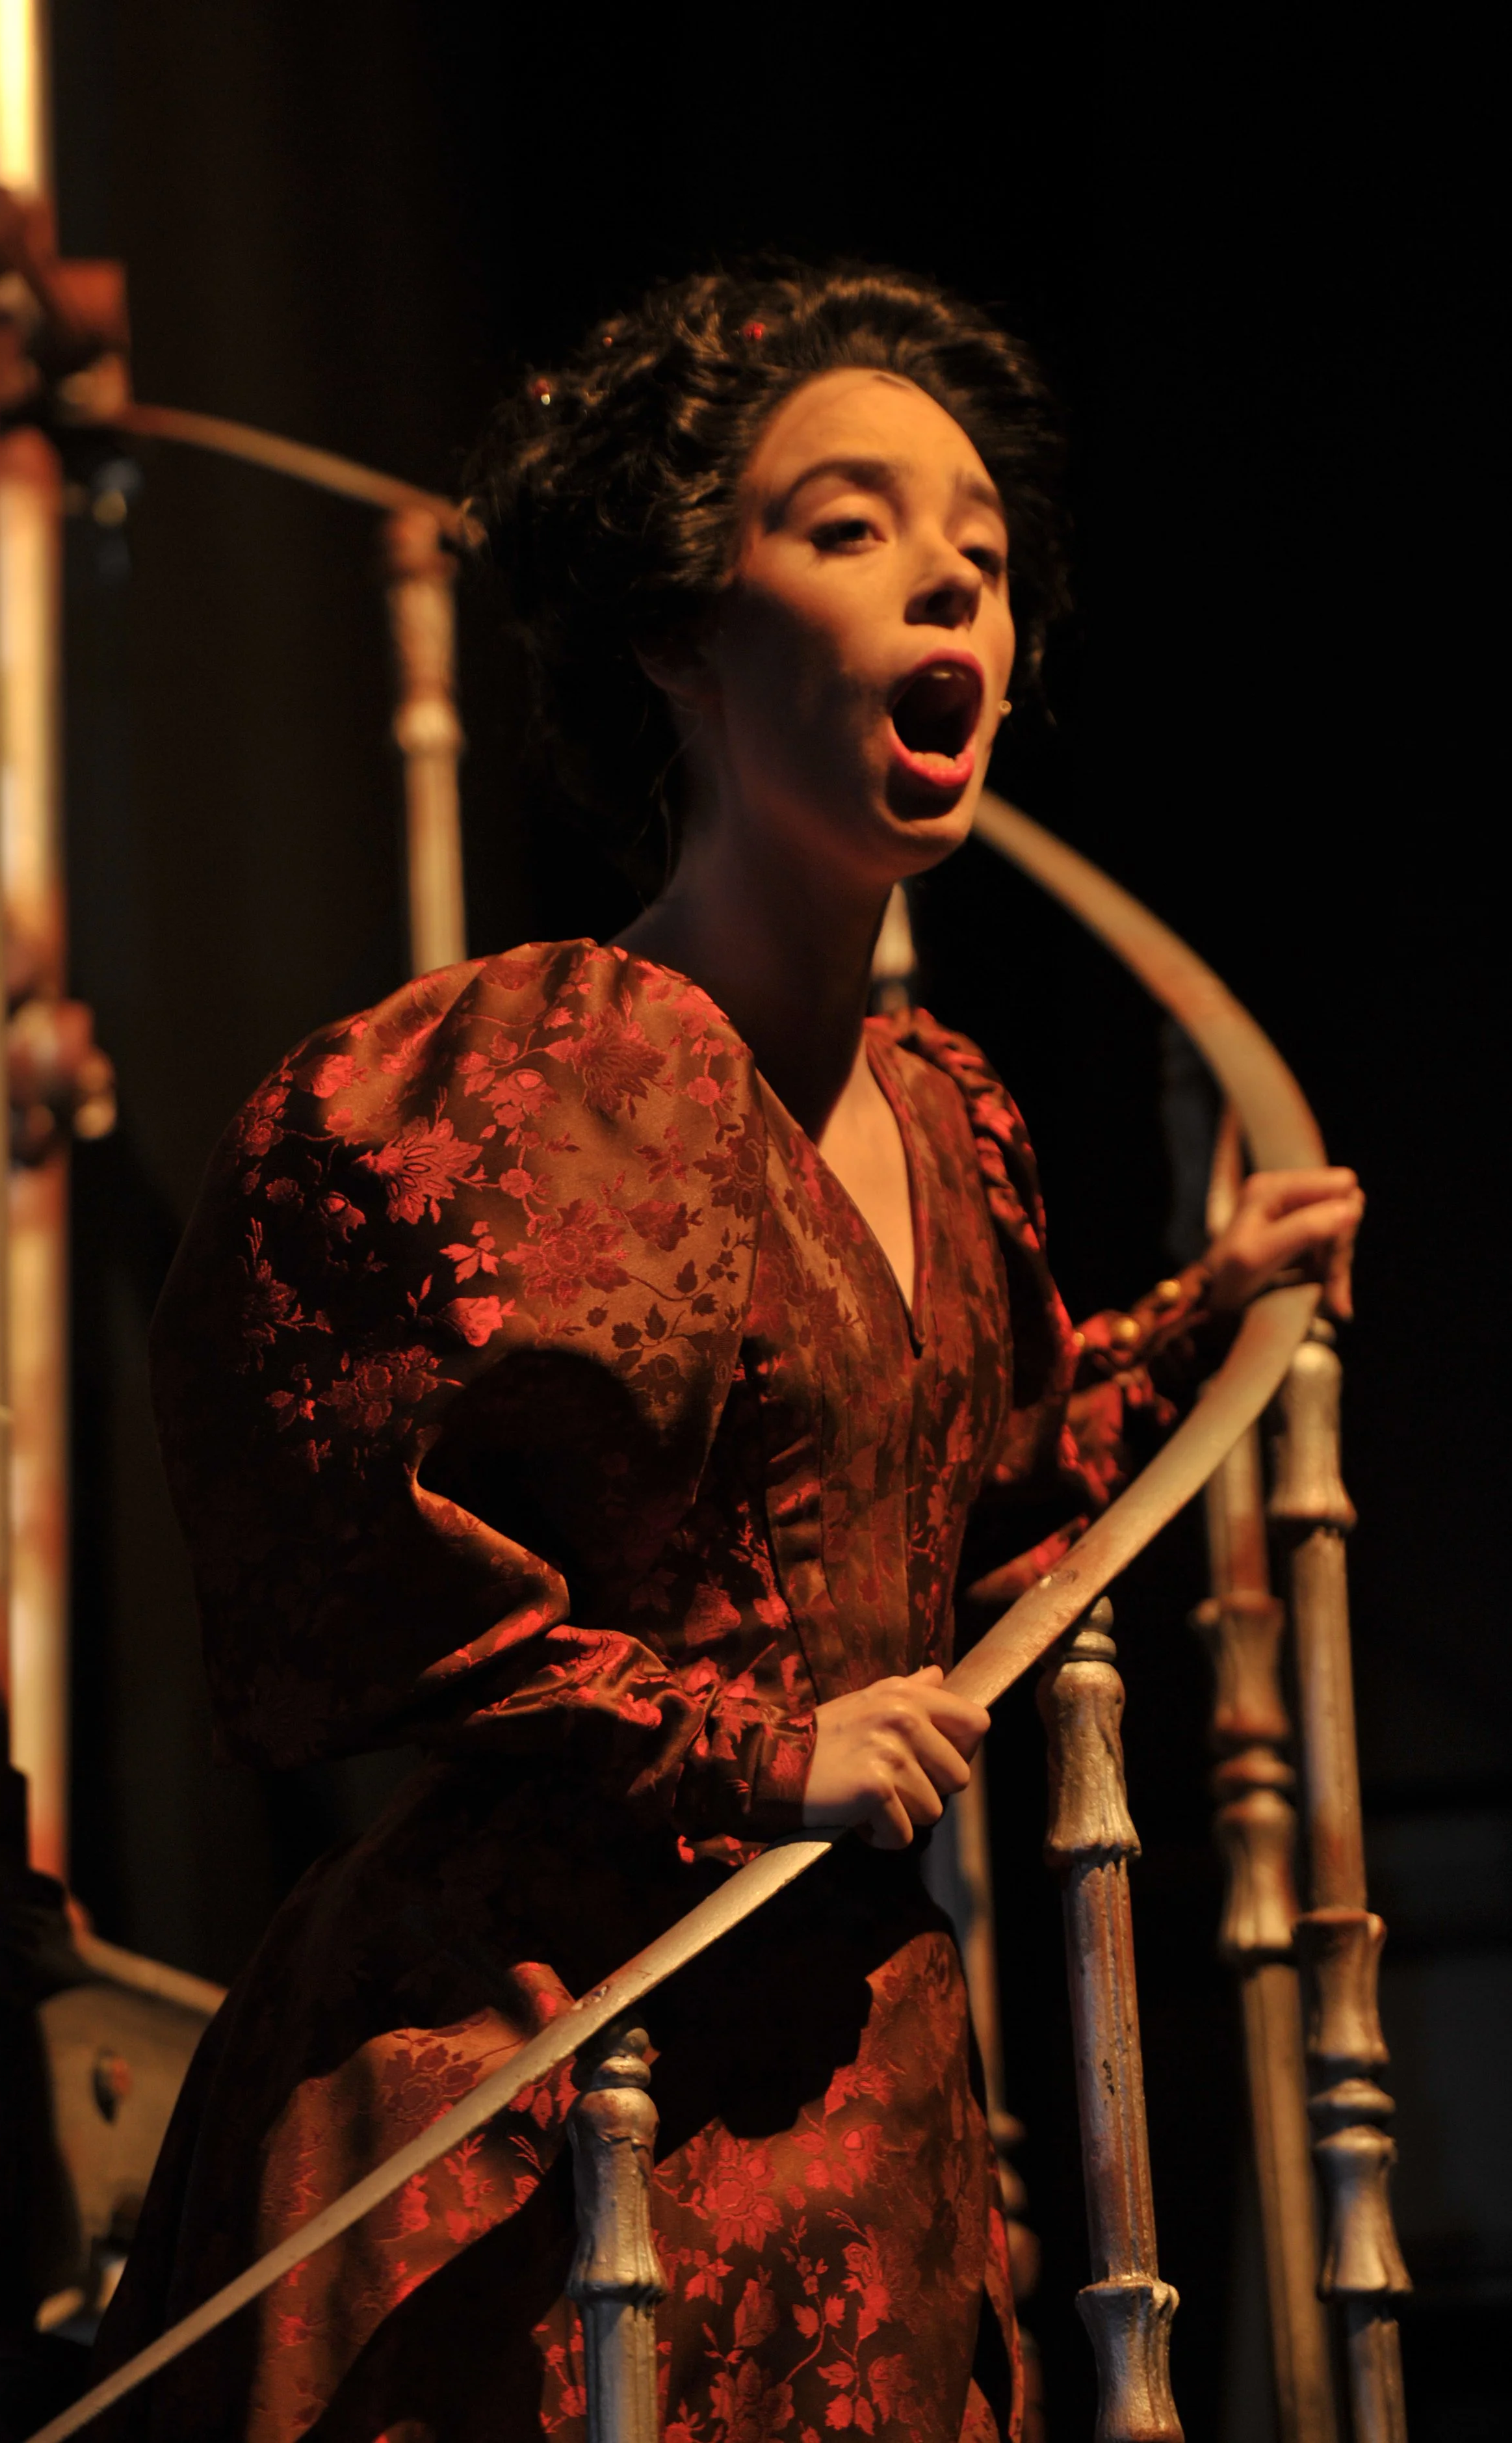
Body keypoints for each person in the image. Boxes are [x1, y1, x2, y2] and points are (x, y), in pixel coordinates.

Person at [96, 264, 1362, 2441]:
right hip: (538, 2062)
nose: (945, 585)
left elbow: (992, 1506)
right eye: (849, 527)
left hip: (854, 2071)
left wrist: (1203, 1316)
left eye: (976, 552)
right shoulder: (528, 1075)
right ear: (681, 633)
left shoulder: (952, 1126)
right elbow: (333, 1559)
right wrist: (740, 1751)